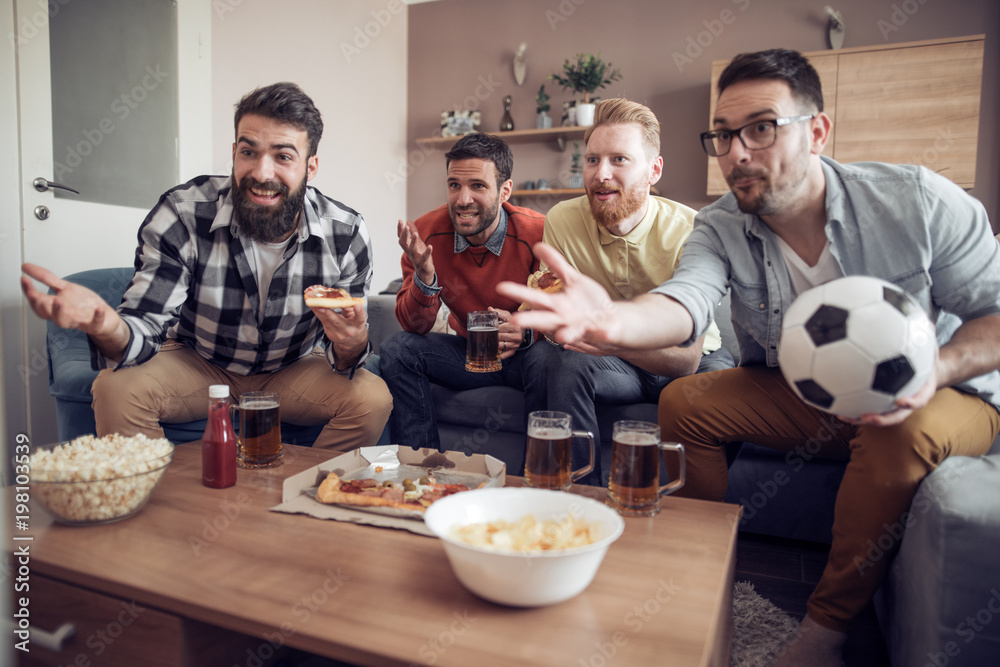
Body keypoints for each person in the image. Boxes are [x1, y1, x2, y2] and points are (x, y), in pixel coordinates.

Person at [501, 49, 1000, 667]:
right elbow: (683, 305)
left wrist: (936, 371)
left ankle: (827, 628)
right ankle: (700, 574)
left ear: (817, 131)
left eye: (761, 129)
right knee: (688, 403)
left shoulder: (919, 201)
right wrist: (609, 319)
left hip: (948, 395)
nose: (738, 152)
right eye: (724, 136)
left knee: (898, 428)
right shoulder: (720, 226)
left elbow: (994, 315)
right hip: (802, 391)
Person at [21, 82, 392, 450]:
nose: (262, 173)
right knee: (115, 387)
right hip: (198, 362)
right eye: (249, 152)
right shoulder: (182, 213)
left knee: (371, 399)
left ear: (310, 167)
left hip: (292, 368)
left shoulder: (346, 234)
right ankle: (160, 505)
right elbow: (142, 326)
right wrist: (104, 324)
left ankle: (303, 495)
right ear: (234, 153)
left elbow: (345, 358)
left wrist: (352, 342)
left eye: (283, 157)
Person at [527, 98, 732, 485]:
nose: (601, 174)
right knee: (559, 362)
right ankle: (582, 503)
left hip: (692, 361)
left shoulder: (693, 228)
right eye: (591, 160)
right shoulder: (563, 221)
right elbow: (558, 319)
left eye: (619, 159)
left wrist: (608, 335)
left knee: (723, 393)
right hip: (615, 366)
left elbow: (684, 361)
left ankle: (690, 522)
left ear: (654, 170)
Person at [378, 132, 544, 454]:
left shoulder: (538, 232)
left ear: (505, 190)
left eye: (478, 186)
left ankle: (536, 481)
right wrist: (425, 279)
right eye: (454, 185)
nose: (462, 199)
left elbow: (563, 311)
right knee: (398, 349)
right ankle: (421, 467)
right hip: (469, 355)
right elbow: (414, 327)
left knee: (550, 360)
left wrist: (527, 331)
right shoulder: (425, 232)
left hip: (526, 359)